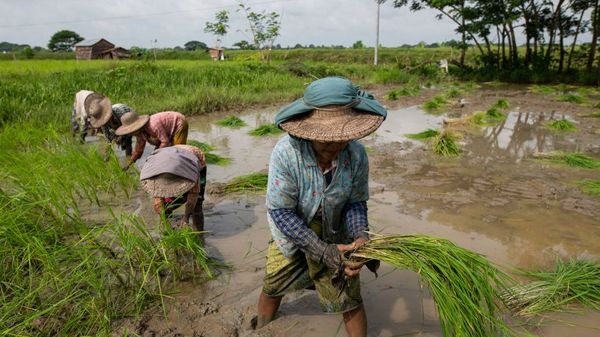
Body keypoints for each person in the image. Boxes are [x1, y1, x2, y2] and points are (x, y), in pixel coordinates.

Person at [254, 77, 387, 337]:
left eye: (342, 140)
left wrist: (360, 235)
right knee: (273, 287)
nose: (334, 148)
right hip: (291, 235)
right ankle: (261, 328)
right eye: (326, 142)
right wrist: (321, 250)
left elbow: (355, 203)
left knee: (349, 298)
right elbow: (281, 212)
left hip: (336, 233)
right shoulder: (287, 153)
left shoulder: (357, 155)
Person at [139, 144, 206, 232]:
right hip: (165, 156)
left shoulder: (191, 173)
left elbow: (193, 197)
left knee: (197, 204)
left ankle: (199, 234)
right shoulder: (153, 176)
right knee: (165, 206)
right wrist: (165, 220)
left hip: (192, 156)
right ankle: (168, 230)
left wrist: (185, 218)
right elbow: (158, 202)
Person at [115, 111, 188, 170]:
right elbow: (138, 150)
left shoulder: (153, 125)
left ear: (137, 127)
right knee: (159, 151)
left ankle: (183, 168)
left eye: (131, 131)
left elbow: (165, 142)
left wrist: (155, 155)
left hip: (179, 122)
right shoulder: (140, 133)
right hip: (167, 130)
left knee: (177, 151)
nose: (131, 134)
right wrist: (129, 163)